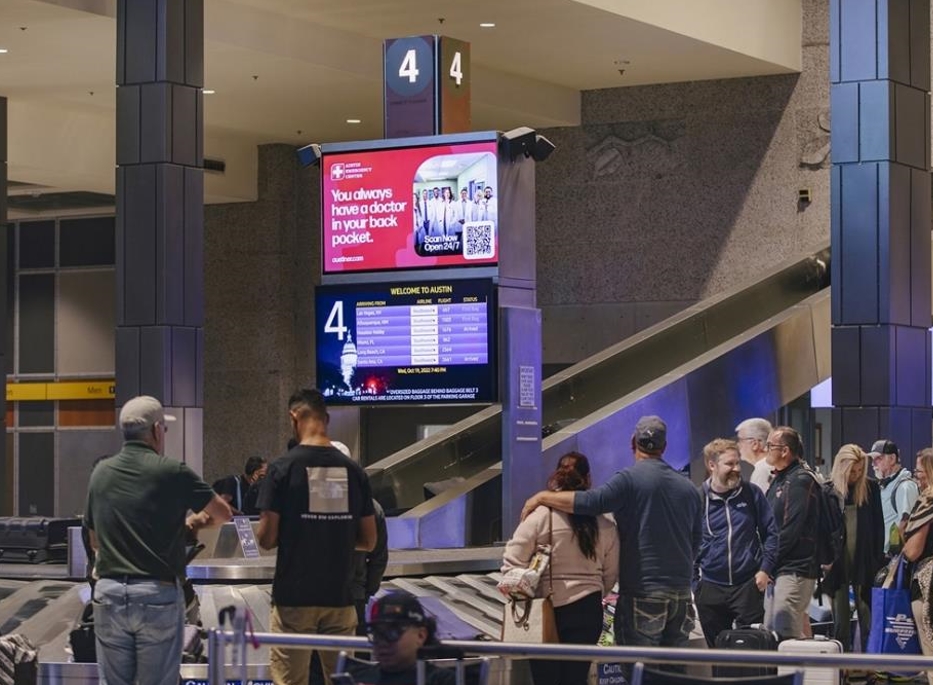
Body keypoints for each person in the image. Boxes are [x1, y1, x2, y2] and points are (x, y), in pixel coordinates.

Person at [84, 395, 232, 685]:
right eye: (164, 429)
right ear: (155, 431)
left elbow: (95, 540)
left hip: (109, 594)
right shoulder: (171, 470)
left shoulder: (100, 473)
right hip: (156, 594)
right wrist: (197, 521)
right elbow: (222, 513)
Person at [522, 415, 702, 651]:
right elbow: (696, 542)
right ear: (664, 446)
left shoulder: (628, 481)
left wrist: (542, 497)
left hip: (642, 592)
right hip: (680, 596)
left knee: (639, 670)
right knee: (673, 671)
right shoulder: (688, 488)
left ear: (632, 442)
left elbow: (590, 502)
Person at [257, 388, 377, 685]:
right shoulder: (353, 471)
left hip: (293, 599)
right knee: (341, 681)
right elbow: (369, 541)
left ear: (294, 417)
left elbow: (266, 539)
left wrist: (303, 532)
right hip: (339, 597)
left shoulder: (282, 469)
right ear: (327, 418)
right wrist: (331, 533)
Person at [503, 452, 618, 685]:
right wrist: (594, 589)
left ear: (557, 476)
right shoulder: (605, 523)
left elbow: (512, 560)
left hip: (548, 611)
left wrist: (529, 591)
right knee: (575, 679)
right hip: (588, 610)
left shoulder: (540, 516)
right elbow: (611, 573)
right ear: (588, 479)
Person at [694, 439, 778, 647]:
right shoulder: (697, 499)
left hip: (747, 586)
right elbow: (686, 544)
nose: (737, 469)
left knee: (751, 653)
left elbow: (772, 534)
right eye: (729, 464)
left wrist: (765, 570)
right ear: (712, 465)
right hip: (711, 588)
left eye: (738, 463)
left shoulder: (751, 494)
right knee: (718, 655)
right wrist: (695, 585)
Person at [821, 444, 884, 651]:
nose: (856, 476)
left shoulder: (870, 488)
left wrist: (875, 561)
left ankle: (869, 667)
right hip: (837, 564)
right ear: (842, 468)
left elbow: (878, 528)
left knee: (867, 616)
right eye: (852, 471)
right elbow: (822, 530)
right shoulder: (829, 491)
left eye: (859, 471)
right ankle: (842, 670)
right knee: (841, 621)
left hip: (864, 562)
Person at [763, 425, 821, 640]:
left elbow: (790, 530)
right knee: (772, 633)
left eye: (770, 446)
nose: (766, 449)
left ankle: (798, 675)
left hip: (795, 568)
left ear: (785, 451)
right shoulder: (780, 479)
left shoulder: (799, 481)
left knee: (786, 632)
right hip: (779, 568)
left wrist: (766, 563)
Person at [350, 591, 455, 685]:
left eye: (393, 632)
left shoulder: (442, 680)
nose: (383, 642)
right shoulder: (358, 678)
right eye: (377, 633)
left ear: (421, 635)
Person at [903, 448, 933, 685]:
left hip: (927, 586)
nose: (916, 476)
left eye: (920, 471)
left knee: (930, 653)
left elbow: (912, 551)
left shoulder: (927, 504)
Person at [869, 439, 920, 556]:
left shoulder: (905, 486)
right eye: (873, 460)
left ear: (892, 459)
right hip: (884, 557)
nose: (873, 464)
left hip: (895, 558)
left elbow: (907, 524)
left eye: (878, 459)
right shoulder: (886, 485)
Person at [735, 417, 774, 492]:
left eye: (740, 440)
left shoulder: (761, 470)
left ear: (755, 444)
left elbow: (758, 502)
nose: (738, 445)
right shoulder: (771, 465)